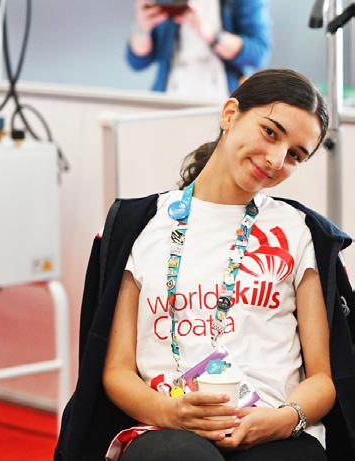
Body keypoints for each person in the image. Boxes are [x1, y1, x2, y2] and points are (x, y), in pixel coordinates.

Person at [54, 69, 355, 461]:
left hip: (275, 428)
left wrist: (284, 419)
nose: (276, 159)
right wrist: (170, 413)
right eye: (270, 132)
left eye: (295, 155)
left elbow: (323, 378)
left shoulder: (300, 231)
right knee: (179, 455)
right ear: (230, 114)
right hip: (165, 427)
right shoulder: (141, 226)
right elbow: (116, 372)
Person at [127, 0, 271, 99]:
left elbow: (258, 53)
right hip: (170, 96)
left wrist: (207, 32)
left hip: (221, 99)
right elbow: (137, 61)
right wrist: (142, 27)